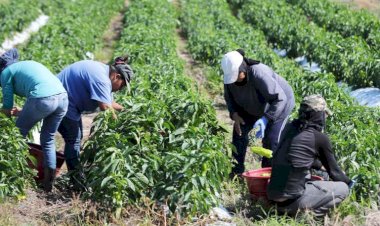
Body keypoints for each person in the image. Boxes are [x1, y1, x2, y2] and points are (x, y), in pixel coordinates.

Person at [267, 94, 354, 217]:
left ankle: (286, 211)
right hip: (292, 202)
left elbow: (293, 156)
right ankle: (308, 217)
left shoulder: (289, 128)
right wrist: (351, 184)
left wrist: (320, 166)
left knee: (312, 174)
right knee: (342, 188)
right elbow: (335, 173)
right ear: (318, 115)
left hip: (272, 197)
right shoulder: (319, 138)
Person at [57, 55, 133, 187]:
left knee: (75, 138)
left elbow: (109, 102)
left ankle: (75, 176)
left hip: (66, 102)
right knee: (73, 139)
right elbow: (105, 107)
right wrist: (122, 127)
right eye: (122, 86)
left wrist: (127, 111)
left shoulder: (103, 73)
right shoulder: (102, 79)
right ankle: (76, 182)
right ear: (117, 76)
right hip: (60, 101)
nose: (121, 89)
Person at [0, 48, 68, 192]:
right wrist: (21, 112)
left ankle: (13, 174)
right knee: (48, 138)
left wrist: (4, 120)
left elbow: (7, 106)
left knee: (16, 135)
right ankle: (48, 183)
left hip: (43, 99)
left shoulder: (6, 73)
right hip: (62, 98)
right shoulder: (24, 66)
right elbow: (39, 98)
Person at [221, 49, 295, 175]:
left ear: (243, 68)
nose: (234, 80)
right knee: (239, 133)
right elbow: (229, 99)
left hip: (278, 104)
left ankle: (268, 176)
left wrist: (266, 119)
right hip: (252, 105)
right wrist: (235, 115)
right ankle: (237, 172)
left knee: (271, 141)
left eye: (236, 76)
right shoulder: (230, 79)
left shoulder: (259, 73)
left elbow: (279, 99)